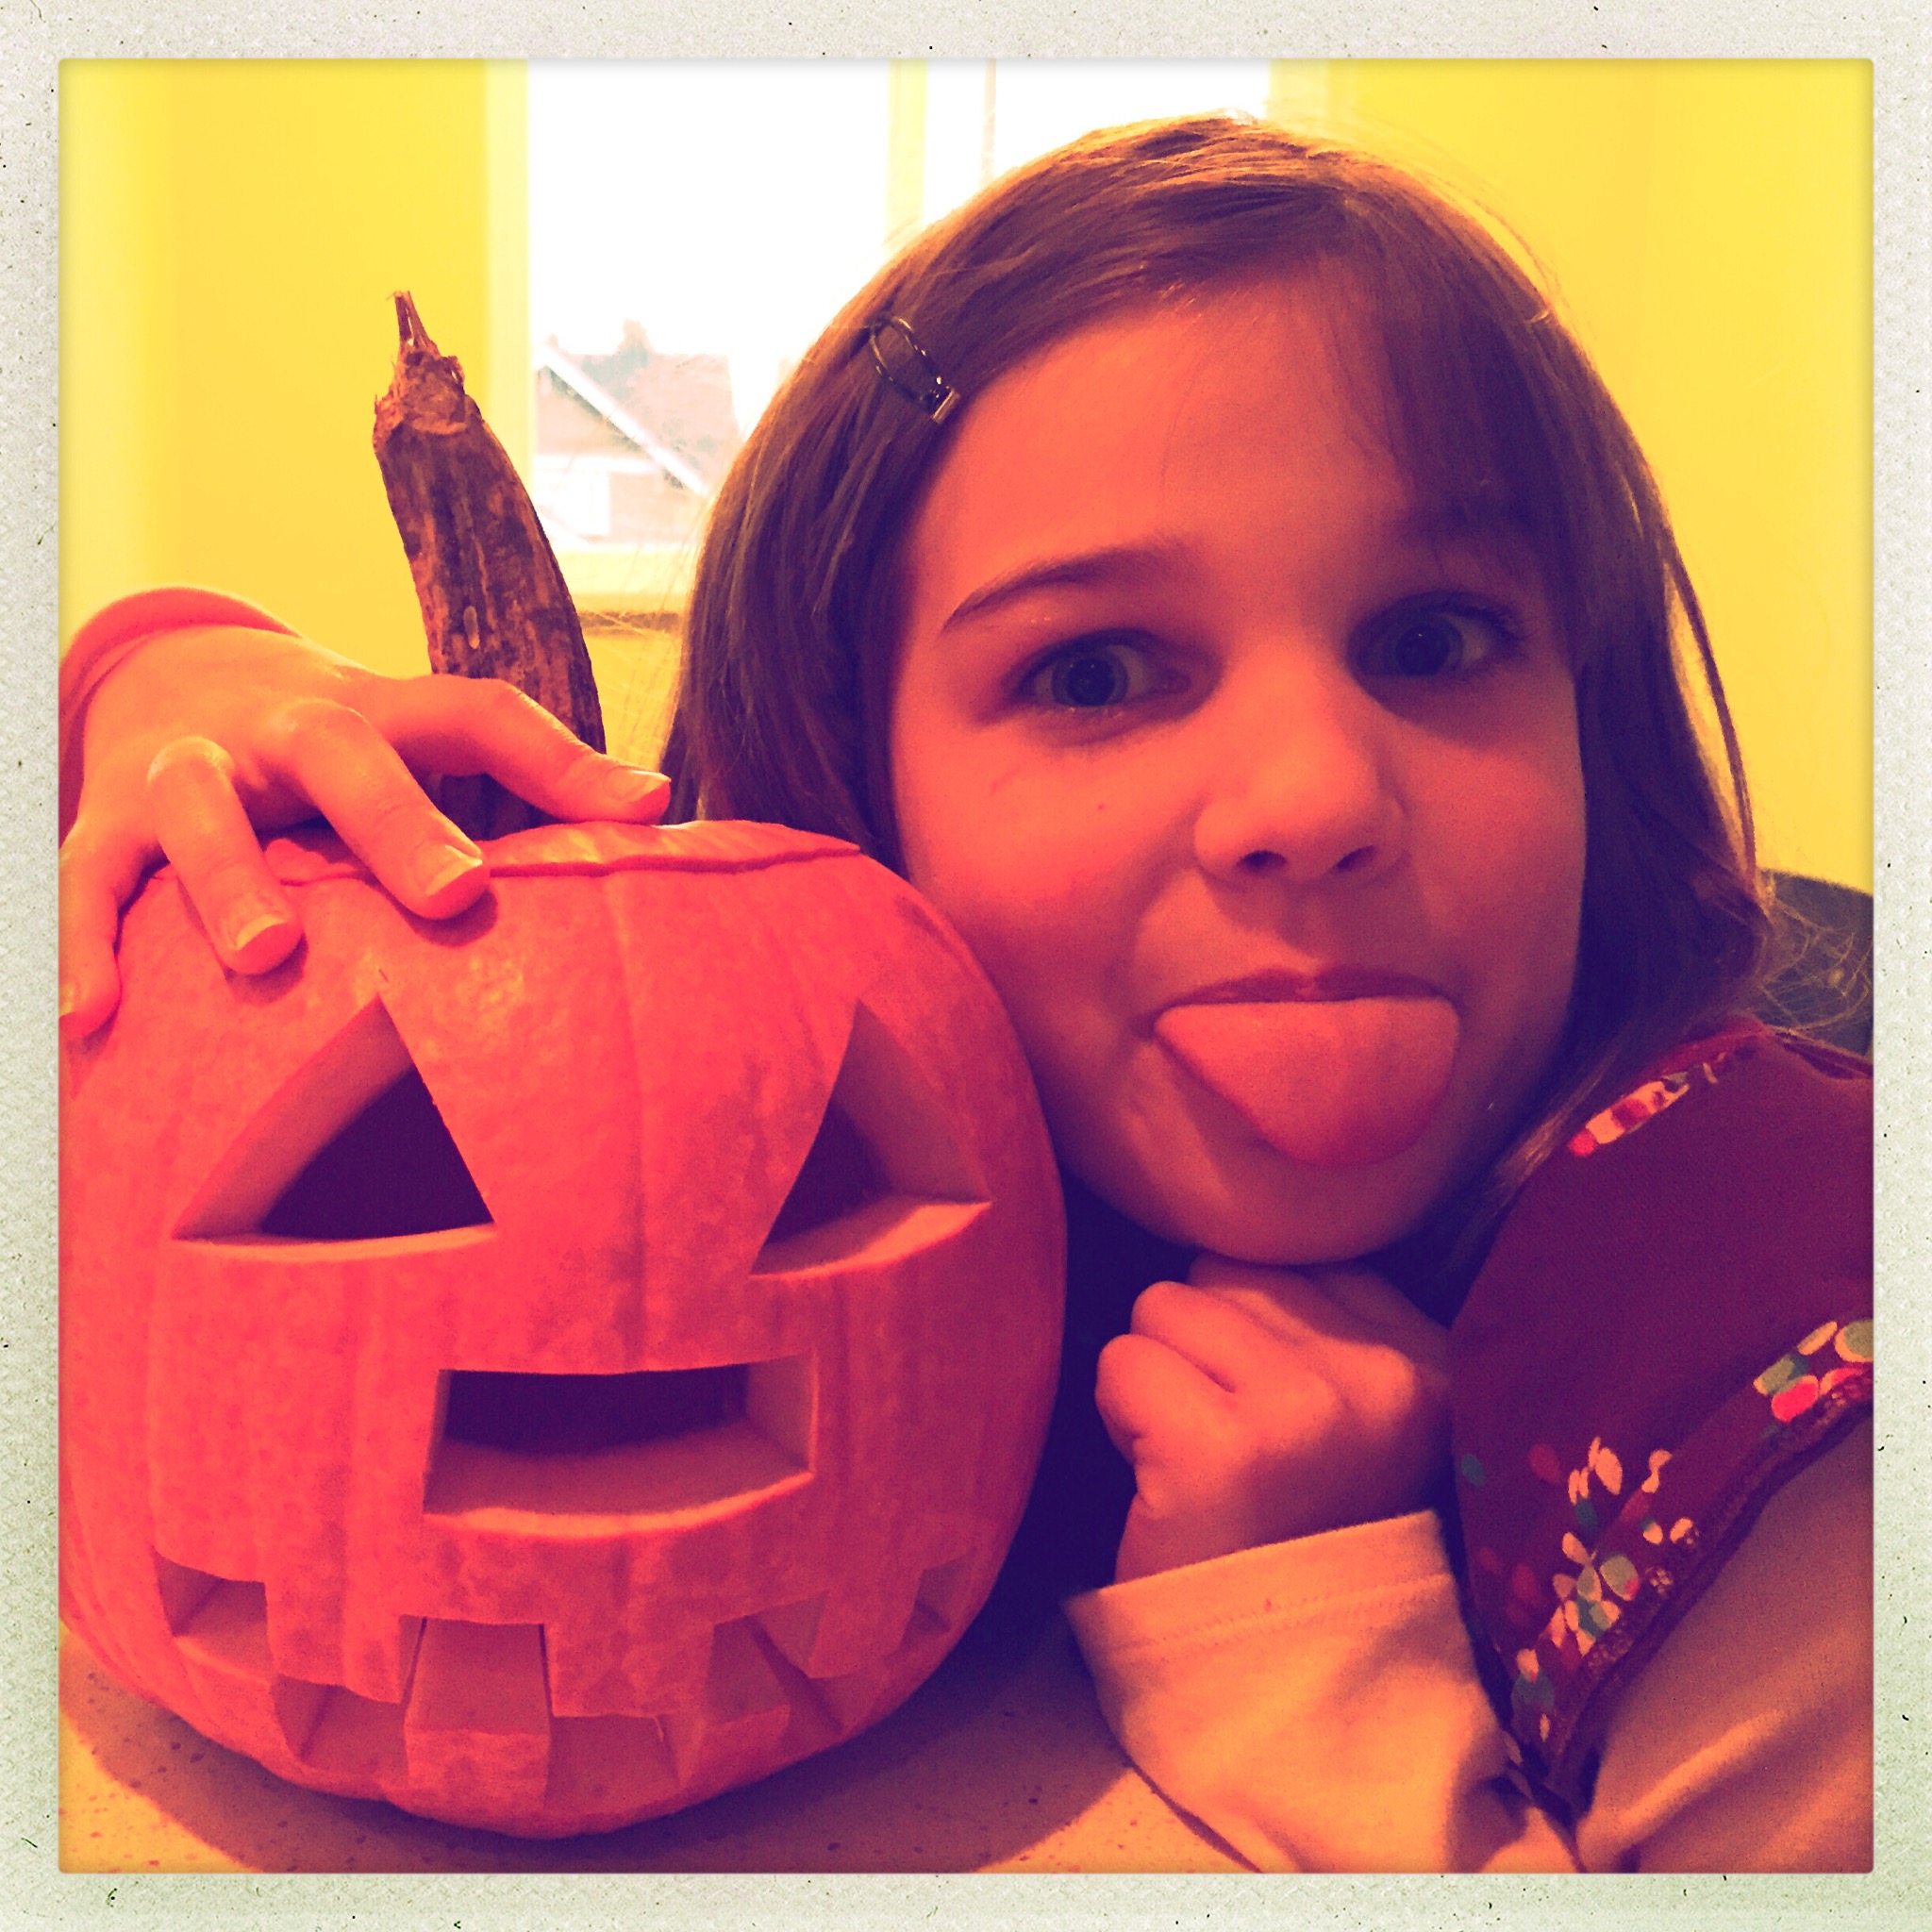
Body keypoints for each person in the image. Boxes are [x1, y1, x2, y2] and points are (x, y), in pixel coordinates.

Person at [58, 117, 1872, 1872]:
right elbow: (568, 1037)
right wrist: (150, 672)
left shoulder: (1792, 1349)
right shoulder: (992, 1172)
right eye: (1098, 673)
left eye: (1433, 640)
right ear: (853, 792)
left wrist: (1306, 1637)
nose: (1315, 793)